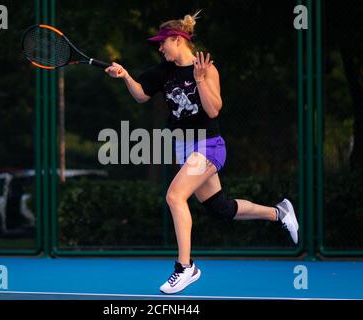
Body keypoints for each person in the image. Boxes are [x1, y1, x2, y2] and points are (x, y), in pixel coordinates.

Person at [105, 11, 299, 295]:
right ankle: (278, 212)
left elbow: (213, 110)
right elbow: (140, 94)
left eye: (163, 43)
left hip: (208, 145)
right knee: (221, 208)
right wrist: (124, 75)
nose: (160, 48)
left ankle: (185, 268)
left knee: (174, 196)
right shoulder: (162, 72)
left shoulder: (206, 68)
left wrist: (198, 80)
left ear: (177, 39)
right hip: (184, 148)